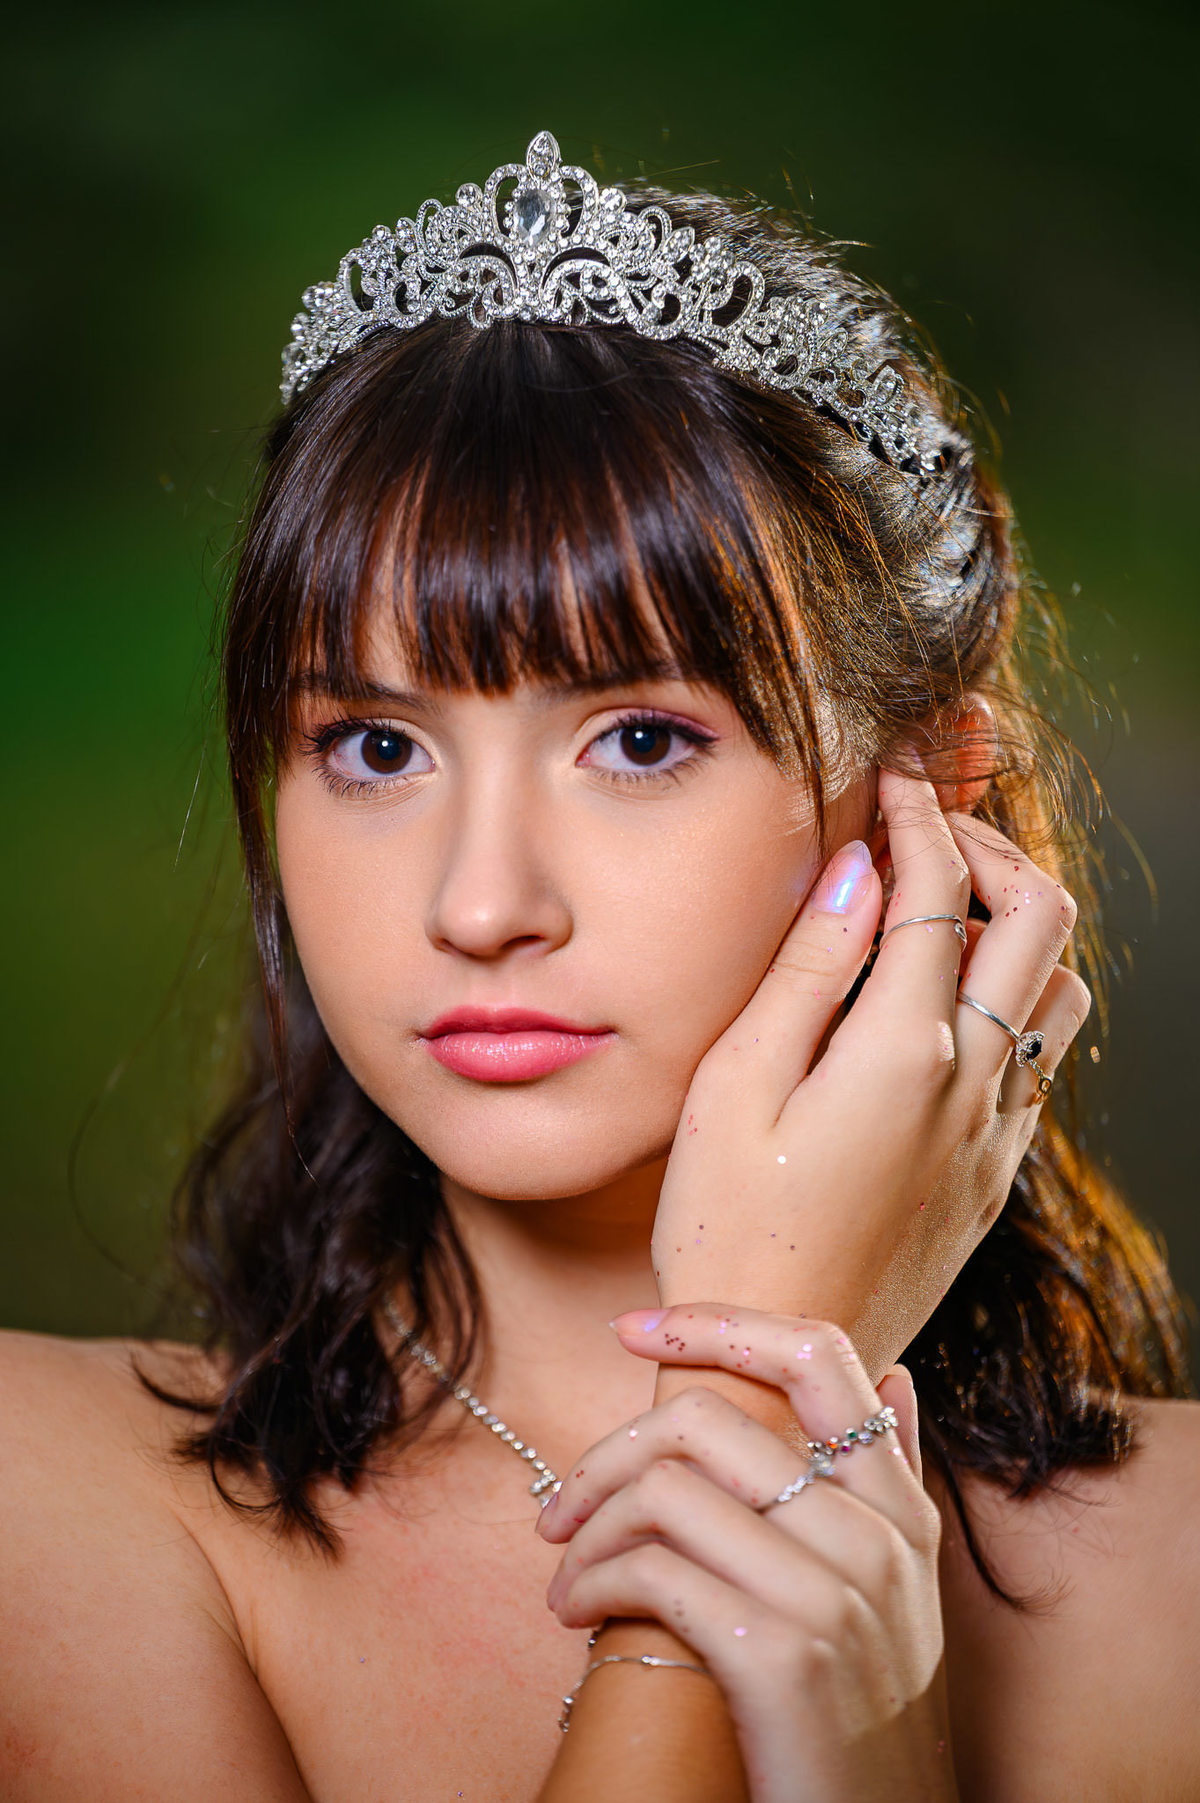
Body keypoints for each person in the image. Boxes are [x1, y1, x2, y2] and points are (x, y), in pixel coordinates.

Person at [2, 129, 1196, 1802]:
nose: (480, 905)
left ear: (923, 799)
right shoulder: (40, 1503)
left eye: (638, 738)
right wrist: (743, 1496)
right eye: (372, 747)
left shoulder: (1182, 1589)